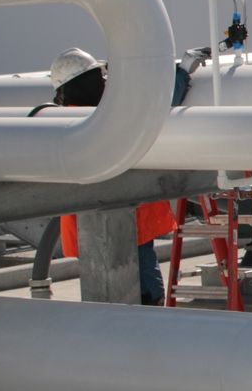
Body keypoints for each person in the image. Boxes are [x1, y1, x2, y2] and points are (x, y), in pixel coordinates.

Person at [50, 49, 177, 305]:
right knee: (144, 299)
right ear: (85, 83)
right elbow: (152, 108)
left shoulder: (64, 121)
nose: (105, 83)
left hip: (106, 229)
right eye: (99, 78)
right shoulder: (100, 119)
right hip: (125, 226)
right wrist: (179, 76)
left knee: (111, 300)